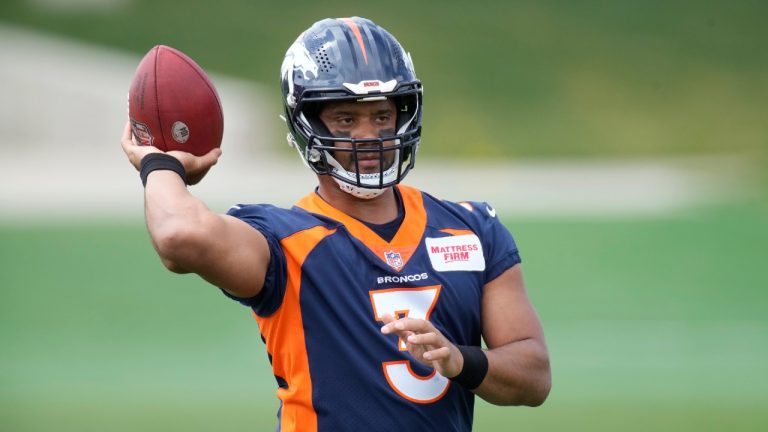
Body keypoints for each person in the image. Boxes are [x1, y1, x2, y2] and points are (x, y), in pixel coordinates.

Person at [121, 16, 550, 432]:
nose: (369, 135)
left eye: (381, 116)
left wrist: (460, 360)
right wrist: (160, 165)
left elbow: (533, 375)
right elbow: (178, 235)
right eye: (346, 119)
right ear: (306, 123)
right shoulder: (281, 240)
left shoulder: (471, 228)